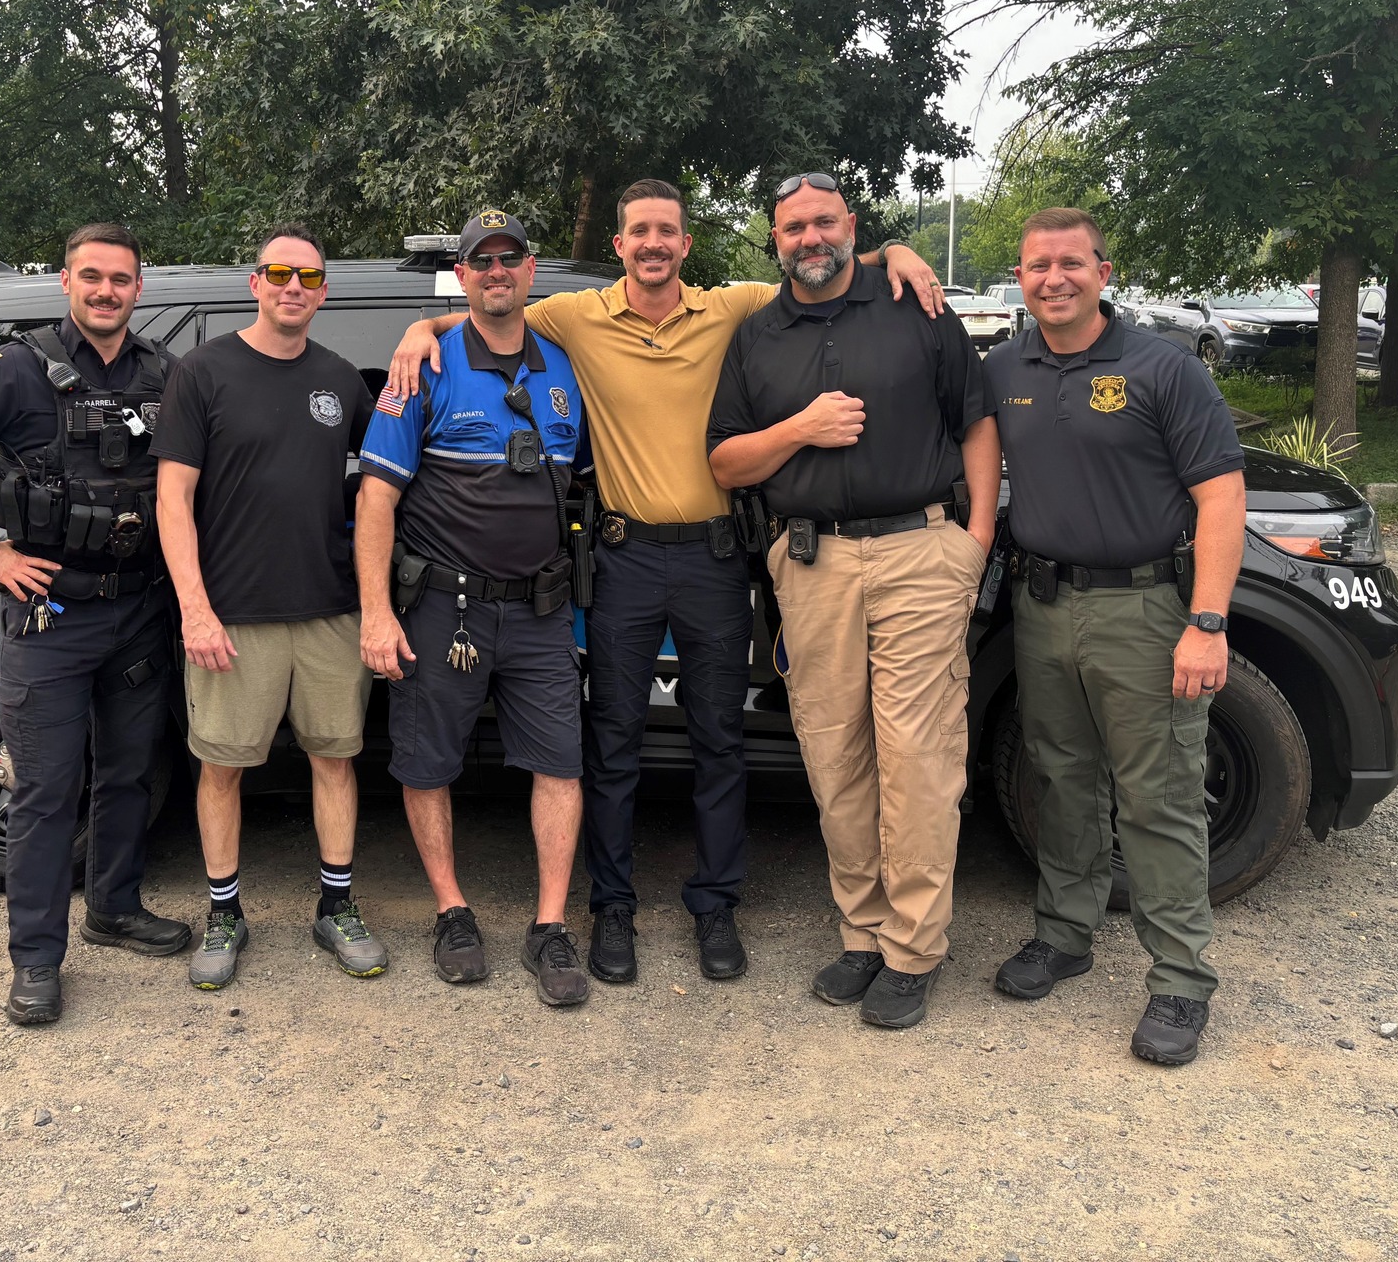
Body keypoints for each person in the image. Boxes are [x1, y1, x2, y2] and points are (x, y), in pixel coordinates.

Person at [384, 179, 943, 986]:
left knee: (721, 743)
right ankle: (613, 908)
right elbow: (489, 311)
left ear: (686, 244)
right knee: (613, 745)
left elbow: (820, 265)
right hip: (624, 560)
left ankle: (715, 906)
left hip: (715, 559)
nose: (652, 243)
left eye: (667, 231)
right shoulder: (576, 316)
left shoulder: (731, 308)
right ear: (620, 245)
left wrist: (899, 251)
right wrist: (418, 328)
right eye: (639, 230)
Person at [708, 173, 998, 1030]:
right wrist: (800, 427)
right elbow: (725, 461)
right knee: (835, 757)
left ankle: (913, 949)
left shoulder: (917, 305)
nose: (810, 238)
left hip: (920, 554)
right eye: (793, 226)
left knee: (918, 759)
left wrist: (974, 541)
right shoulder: (758, 335)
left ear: (852, 226)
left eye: (824, 222)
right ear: (775, 238)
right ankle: (863, 933)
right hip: (813, 565)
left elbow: (976, 420)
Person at [0, 222, 192, 1026]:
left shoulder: (165, 372)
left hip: (137, 607)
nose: (106, 291)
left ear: (139, 288)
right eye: (91, 276)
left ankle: (115, 909)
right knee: (45, 792)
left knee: (129, 773)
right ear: (66, 282)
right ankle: (35, 959)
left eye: (121, 279)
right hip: (49, 616)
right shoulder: (17, 368)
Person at [982, 208, 1247, 1066]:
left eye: (1071, 263)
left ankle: (1180, 979)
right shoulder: (1003, 369)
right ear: (1020, 279)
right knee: (1061, 779)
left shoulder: (1163, 368)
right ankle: (1065, 934)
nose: (1053, 279)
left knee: (1157, 795)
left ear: (1103, 271)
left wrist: (1207, 622)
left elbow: (1221, 496)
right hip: (1041, 604)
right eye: (1037, 266)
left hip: (1145, 611)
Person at [354, 209, 592, 1007]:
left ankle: (550, 926)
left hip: (540, 613)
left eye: (509, 258)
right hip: (441, 610)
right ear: (461, 276)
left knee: (561, 765)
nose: (496, 271)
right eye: (480, 261)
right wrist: (376, 612)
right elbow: (376, 500)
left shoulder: (566, 366)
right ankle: (451, 911)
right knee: (427, 765)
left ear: (531, 270)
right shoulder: (420, 369)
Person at [153, 223, 385, 991]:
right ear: (255, 283)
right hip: (231, 617)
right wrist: (194, 608)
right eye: (279, 273)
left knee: (335, 760)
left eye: (309, 277)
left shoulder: (340, 380)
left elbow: (384, 479)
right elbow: (172, 499)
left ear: (323, 292)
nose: (293, 287)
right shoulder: (202, 372)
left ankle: (336, 907)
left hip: (329, 611)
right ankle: (224, 914)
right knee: (222, 769)